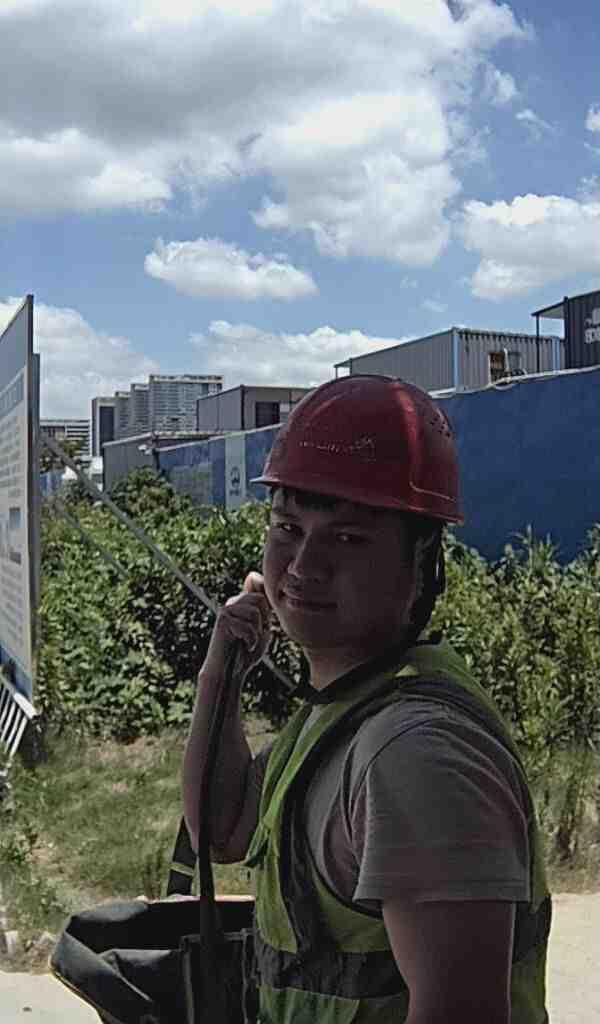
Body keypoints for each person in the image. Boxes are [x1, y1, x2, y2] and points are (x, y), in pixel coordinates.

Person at [182, 375, 551, 1024]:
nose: (303, 566)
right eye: (288, 528)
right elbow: (224, 829)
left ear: (421, 563)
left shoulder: (416, 755)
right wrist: (222, 673)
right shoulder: (343, 707)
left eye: (349, 538)